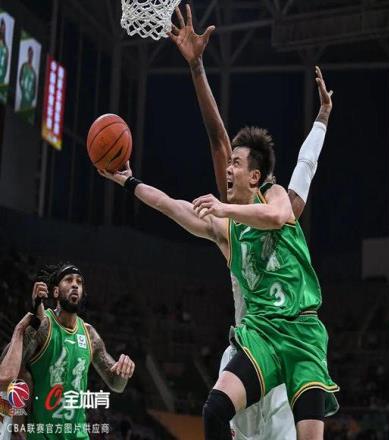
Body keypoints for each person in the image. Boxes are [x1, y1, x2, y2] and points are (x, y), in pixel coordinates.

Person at [168, 5, 334, 438]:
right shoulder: (228, 221)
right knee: (216, 412)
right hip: (250, 347)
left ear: (258, 179)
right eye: (229, 168)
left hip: (285, 359)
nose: (228, 172)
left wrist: (321, 119)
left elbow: (304, 170)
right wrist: (197, 67)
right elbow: (217, 140)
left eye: (237, 166)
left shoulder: (281, 209)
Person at [0, 262, 135, 438]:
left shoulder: (90, 335)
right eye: (69, 280)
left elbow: (116, 384)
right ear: (56, 292)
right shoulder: (43, 325)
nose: (75, 285)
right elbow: (7, 372)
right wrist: (29, 328)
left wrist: (124, 373)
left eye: (79, 282)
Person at [18, 46, 36, 110]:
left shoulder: (33, 72)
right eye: (29, 53)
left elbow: (34, 86)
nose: (30, 55)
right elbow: (20, 79)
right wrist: (23, 90)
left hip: (30, 101)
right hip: (24, 97)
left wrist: (32, 96)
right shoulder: (24, 66)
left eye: (31, 53)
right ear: (27, 54)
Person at [0, 19, 10, 85]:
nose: (3, 30)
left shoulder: (6, 48)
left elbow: (6, 66)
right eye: (1, 28)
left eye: (4, 29)